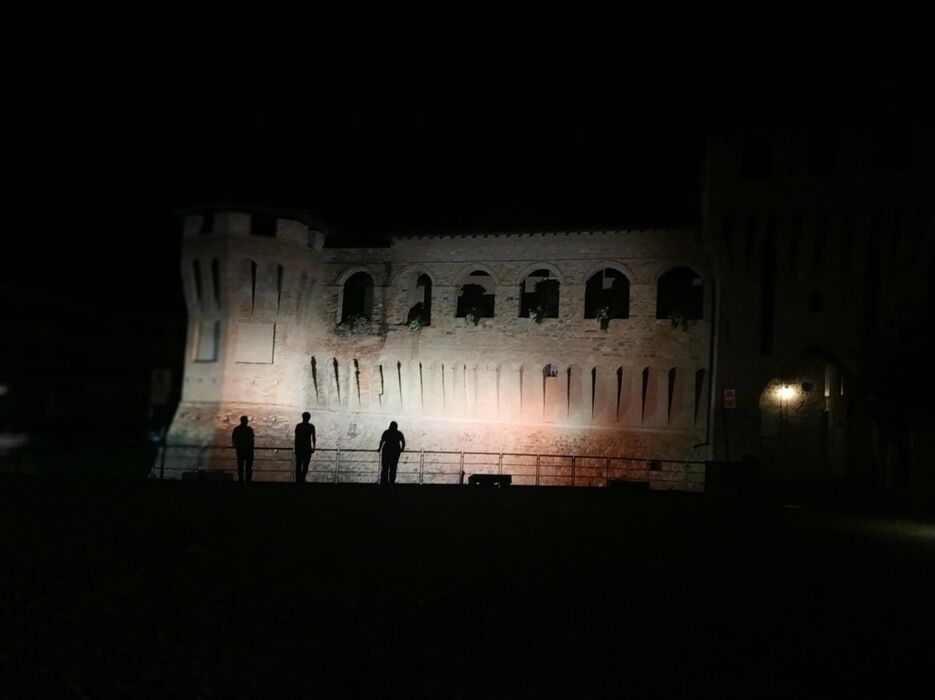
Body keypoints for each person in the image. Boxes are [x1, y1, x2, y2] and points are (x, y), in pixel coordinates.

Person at [378, 421, 405, 485]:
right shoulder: (399, 433)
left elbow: (382, 441)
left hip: (386, 451)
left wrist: (379, 448)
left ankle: (384, 483)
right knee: (393, 468)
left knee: (385, 468)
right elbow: (403, 441)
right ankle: (391, 483)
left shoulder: (386, 432)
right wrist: (402, 449)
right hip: (395, 452)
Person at [294, 412, 316, 483]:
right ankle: (302, 479)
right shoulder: (311, 426)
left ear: (302, 417)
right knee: (305, 465)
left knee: (298, 464)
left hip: (300, 448)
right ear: (309, 418)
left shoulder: (298, 426)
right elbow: (313, 437)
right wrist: (314, 447)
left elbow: (296, 439)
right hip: (307, 448)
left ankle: (298, 480)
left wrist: (296, 448)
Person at [231, 415, 255, 482]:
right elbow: (251, 439)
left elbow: (234, 439)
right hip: (248, 451)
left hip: (240, 450)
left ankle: (241, 479)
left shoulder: (237, 429)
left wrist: (237, 446)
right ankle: (248, 479)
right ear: (246, 421)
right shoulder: (249, 429)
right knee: (248, 466)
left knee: (240, 465)